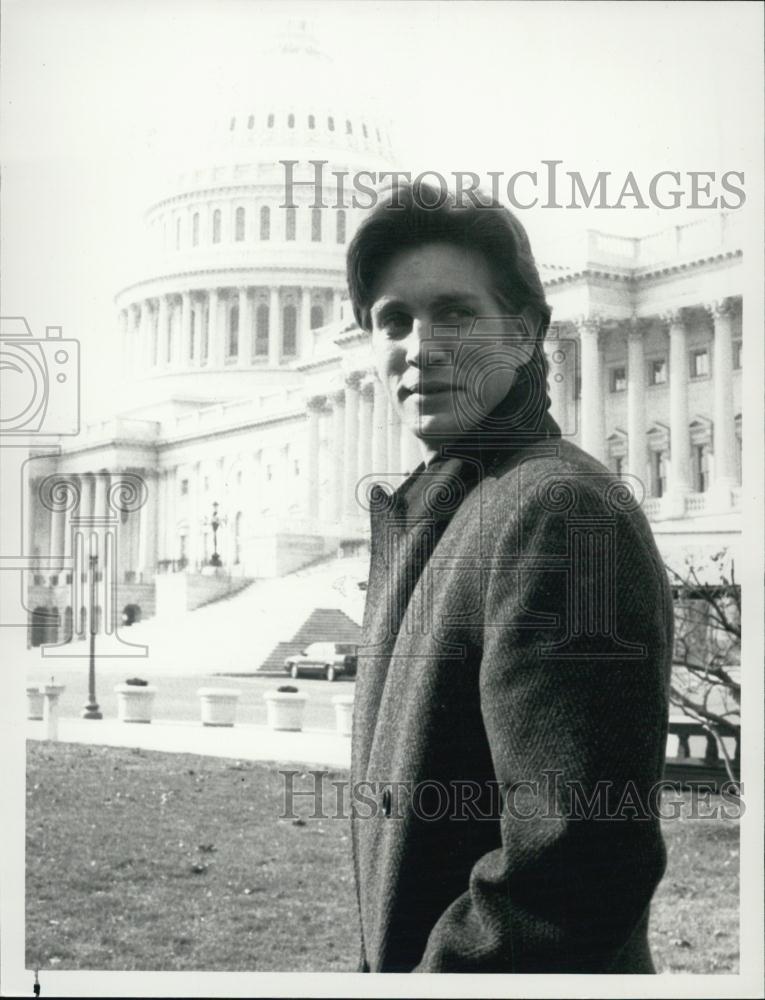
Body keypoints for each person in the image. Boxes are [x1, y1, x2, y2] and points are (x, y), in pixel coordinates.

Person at [345, 180, 674, 973]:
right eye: (394, 320)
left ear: (524, 335)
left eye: (454, 314)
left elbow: (576, 865)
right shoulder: (449, 511)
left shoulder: (561, 513)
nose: (420, 346)